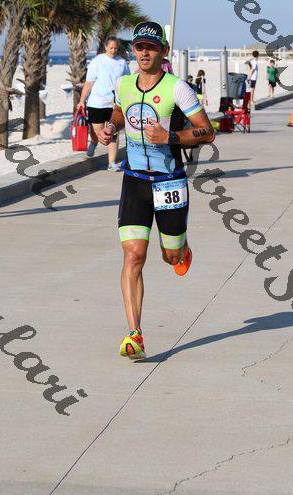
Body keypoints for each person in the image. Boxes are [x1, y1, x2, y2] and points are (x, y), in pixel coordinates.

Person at [98, 21, 215, 360]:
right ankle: (134, 333)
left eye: (151, 47)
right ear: (133, 51)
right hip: (135, 179)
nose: (145, 52)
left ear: (163, 51)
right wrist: (111, 127)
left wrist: (170, 137)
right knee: (133, 255)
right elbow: (119, 112)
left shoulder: (178, 89)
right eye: (139, 47)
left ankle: (181, 249)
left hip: (170, 182)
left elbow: (207, 132)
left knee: (170, 257)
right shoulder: (123, 84)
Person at [79, 36, 130, 171]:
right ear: (105, 47)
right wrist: (82, 101)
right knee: (97, 131)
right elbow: (89, 82)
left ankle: (111, 163)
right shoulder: (98, 61)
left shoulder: (122, 62)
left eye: (116, 48)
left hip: (114, 104)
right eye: (111, 48)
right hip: (97, 102)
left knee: (113, 132)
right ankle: (94, 141)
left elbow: (127, 82)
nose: (113, 50)